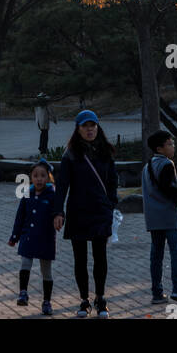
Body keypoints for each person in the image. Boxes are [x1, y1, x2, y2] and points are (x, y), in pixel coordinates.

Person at [53, 109, 118, 318]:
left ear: (98, 127)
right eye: (85, 126)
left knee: (100, 257)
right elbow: (62, 185)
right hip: (78, 211)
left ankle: (100, 298)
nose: (89, 130)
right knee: (79, 259)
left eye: (93, 126)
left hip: (100, 210)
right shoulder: (70, 154)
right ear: (78, 129)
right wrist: (58, 211)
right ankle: (83, 300)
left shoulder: (106, 151)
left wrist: (111, 204)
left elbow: (113, 181)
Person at [142, 130, 177, 307]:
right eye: (170, 144)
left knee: (156, 255)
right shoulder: (166, 164)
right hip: (169, 216)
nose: (173, 146)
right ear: (160, 148)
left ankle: (157, 292)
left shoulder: (147, 166)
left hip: (153, 217)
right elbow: (169, 189)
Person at [9, 160, 57, 315]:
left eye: (43, 176)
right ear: (31, 177)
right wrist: (15, 236)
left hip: (46, 238)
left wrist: (59, 219)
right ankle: (23, 292)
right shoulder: (27, 194)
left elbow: (58, 213)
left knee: (46, 271)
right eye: (35, 176)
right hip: (28, 237)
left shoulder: (52, 196)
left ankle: (47, 301)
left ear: (48, 178)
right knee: (25, 262)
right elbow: (19, 217)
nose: (39, 179)